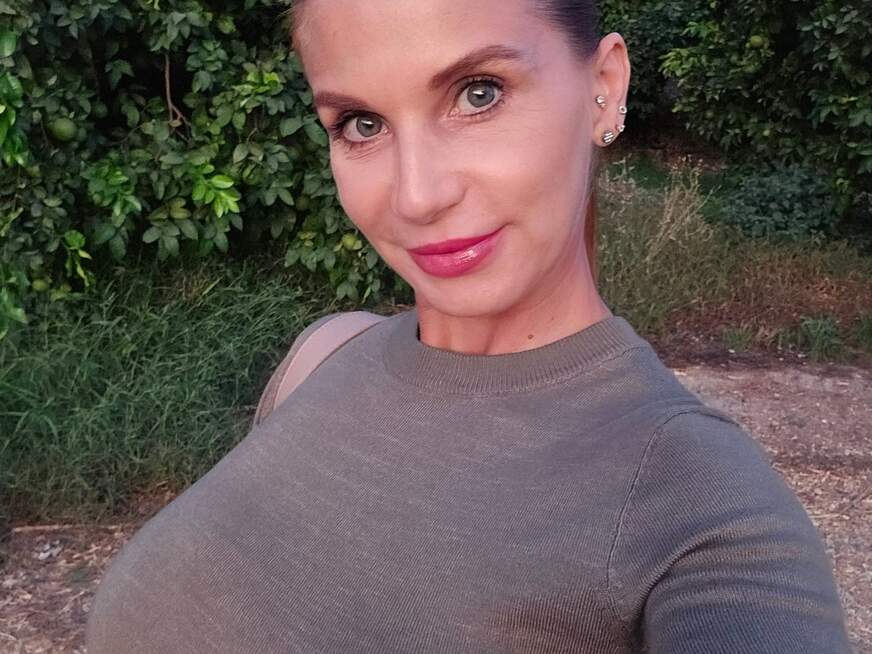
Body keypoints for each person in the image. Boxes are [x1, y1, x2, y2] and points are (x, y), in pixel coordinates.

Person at [86, 1, 852, 652]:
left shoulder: (704, 514)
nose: (416, 197)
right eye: (360, 123)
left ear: (604, 88)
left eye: (479, 93)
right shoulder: (324, 354)